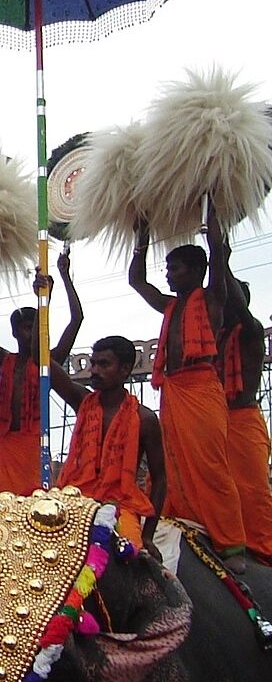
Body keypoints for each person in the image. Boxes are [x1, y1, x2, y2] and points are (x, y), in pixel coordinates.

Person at [129, 212, 247, 571]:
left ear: (196, 271)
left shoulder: (212, 298)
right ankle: (175, 518)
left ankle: (231, 543)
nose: (168, 274)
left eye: (175, 268)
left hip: (201, 386)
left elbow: (218, 256)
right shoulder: (170, 306)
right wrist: (142, 236)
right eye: (167, 268)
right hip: (173, 390)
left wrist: (214, 225)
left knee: (210, 462)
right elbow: (137, 280)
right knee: (171, 460)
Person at [50, 336, 165, 553]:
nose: (95, 370)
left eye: (104, 364)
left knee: (131, 558)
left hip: (121, 507)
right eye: (93, 363)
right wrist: (71, 314)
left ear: (124, 370)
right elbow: (42, 360)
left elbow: (160, 478)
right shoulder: (82, 401)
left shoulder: (146, 419)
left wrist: (148, 535)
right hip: (75, 501)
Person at [0, 249, 83, 495]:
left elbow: (77, 319)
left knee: (34, 505)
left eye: (33, 327)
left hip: (34, 443)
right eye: (23, 328)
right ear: (15, 332)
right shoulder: (5, 360)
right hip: (6, 442)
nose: (29, 332)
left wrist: (57, 285)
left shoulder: (51, 360)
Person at [219, 274, 272, 562]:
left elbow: (239, 307)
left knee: (251, 493)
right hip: (213, 424)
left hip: (242, 423)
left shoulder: (250, 332)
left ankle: (263, 554)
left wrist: (220, 257)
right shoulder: (208, 338)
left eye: (224, 297)